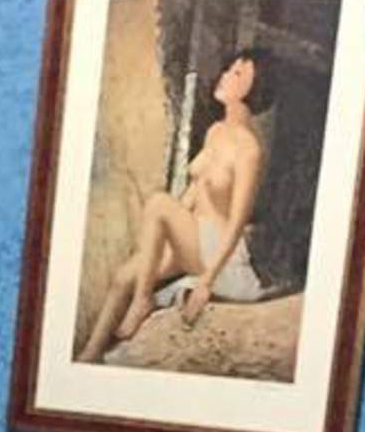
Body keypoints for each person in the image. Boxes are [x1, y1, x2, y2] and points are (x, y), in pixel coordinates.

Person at [78, 46, 274, 364]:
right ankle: (89, 355)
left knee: (158, 203)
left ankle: (143, 300)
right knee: (123, 277)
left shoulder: (248, 150)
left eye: (238, 74)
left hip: (217, 251)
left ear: (255, 88)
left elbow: (237, 223)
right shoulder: (216, 131)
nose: (225, 76)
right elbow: (196, 189)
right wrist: (162, 234)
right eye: (229, 69)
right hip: (192, 238)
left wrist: (206, 282)